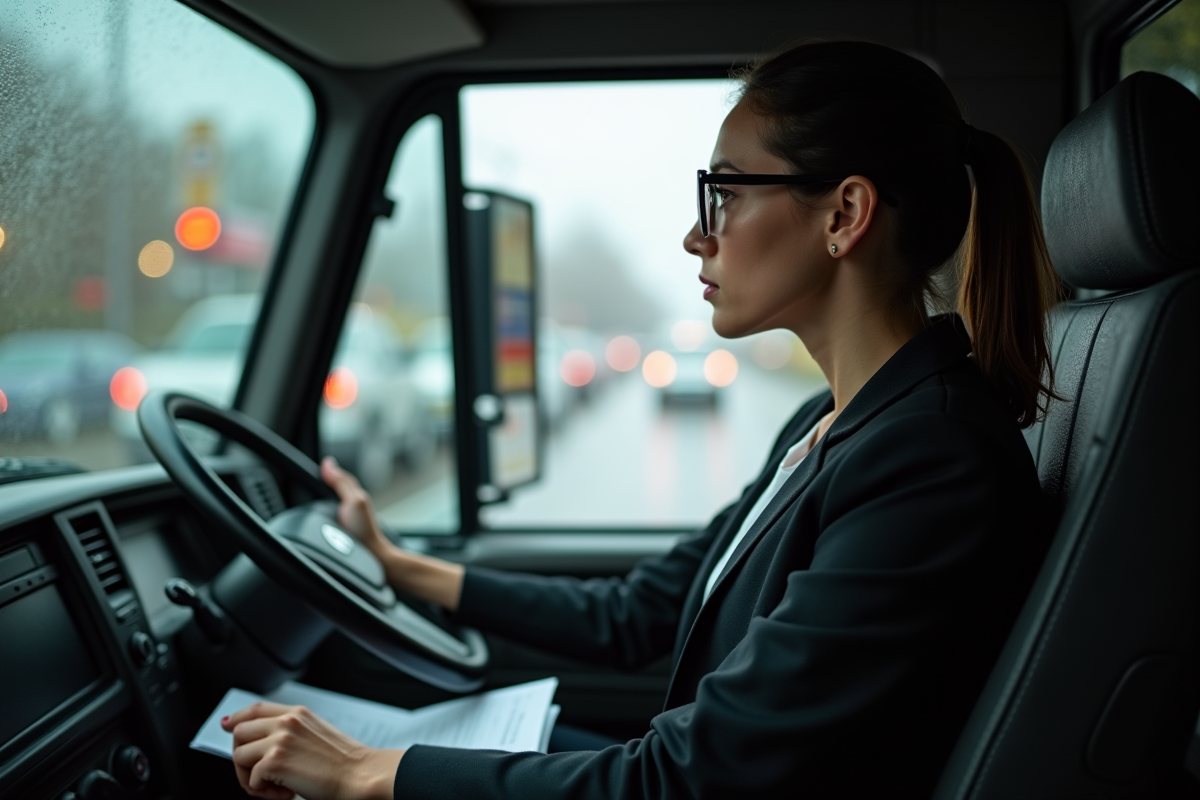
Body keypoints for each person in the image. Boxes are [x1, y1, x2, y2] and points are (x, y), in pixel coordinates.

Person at [221, 40, 1060, 800]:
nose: (697, 236)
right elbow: (641, 613)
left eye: (725, 193)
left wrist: (371, 773)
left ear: (844, 215)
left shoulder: (928, 458)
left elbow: (694, 779)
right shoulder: (835, 418)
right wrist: (396, 564)